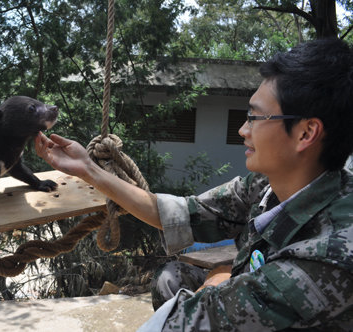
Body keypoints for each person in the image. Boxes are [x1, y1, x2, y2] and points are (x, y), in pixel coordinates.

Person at [34, 37, 353, 331]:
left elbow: (192, 320)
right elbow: (185, 214)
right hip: (257, 291)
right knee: (170, 279)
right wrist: (90, 171)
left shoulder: (334, 250)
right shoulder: (265, 186)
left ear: (306, 133)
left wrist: (217, 282)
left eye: (254, 118)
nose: (243, 130)